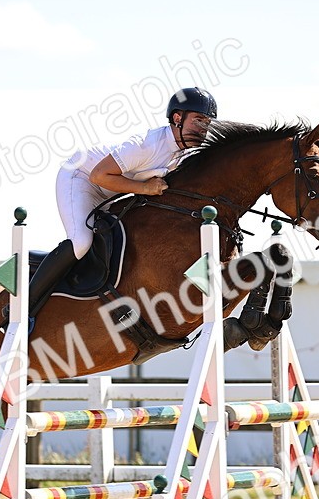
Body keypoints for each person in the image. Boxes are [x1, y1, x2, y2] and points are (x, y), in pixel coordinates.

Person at [14, 86, 218, 331]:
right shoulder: (147, 145)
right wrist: (145, 189)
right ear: (177, 118)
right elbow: (100, 175)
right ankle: (25, 308)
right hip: (82, 177)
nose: (204, 129)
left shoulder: (184, 153)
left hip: (114, 190)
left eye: (207, 122)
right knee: (81, 242)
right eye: (199, 120)